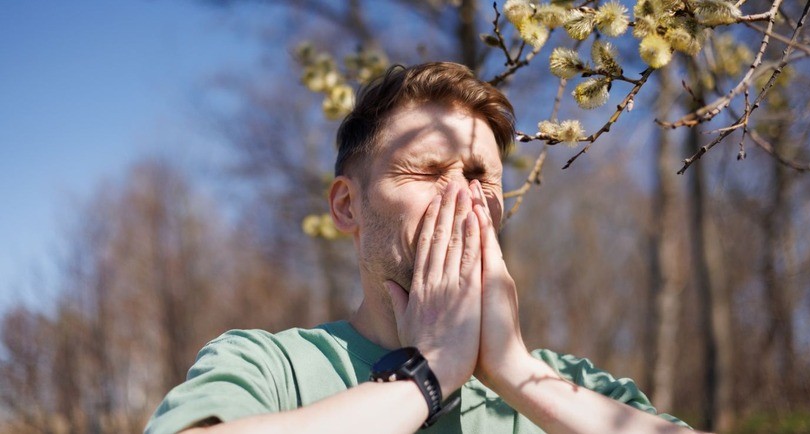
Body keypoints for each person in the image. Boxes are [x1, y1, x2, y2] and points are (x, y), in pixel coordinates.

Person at [145, 62, 697, 434]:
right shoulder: (268, 367)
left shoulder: (576, 387)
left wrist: (512, 370)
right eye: (428, 170)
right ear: (346, 207)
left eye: (481, 176)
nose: (463, 195)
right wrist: (427, 373)